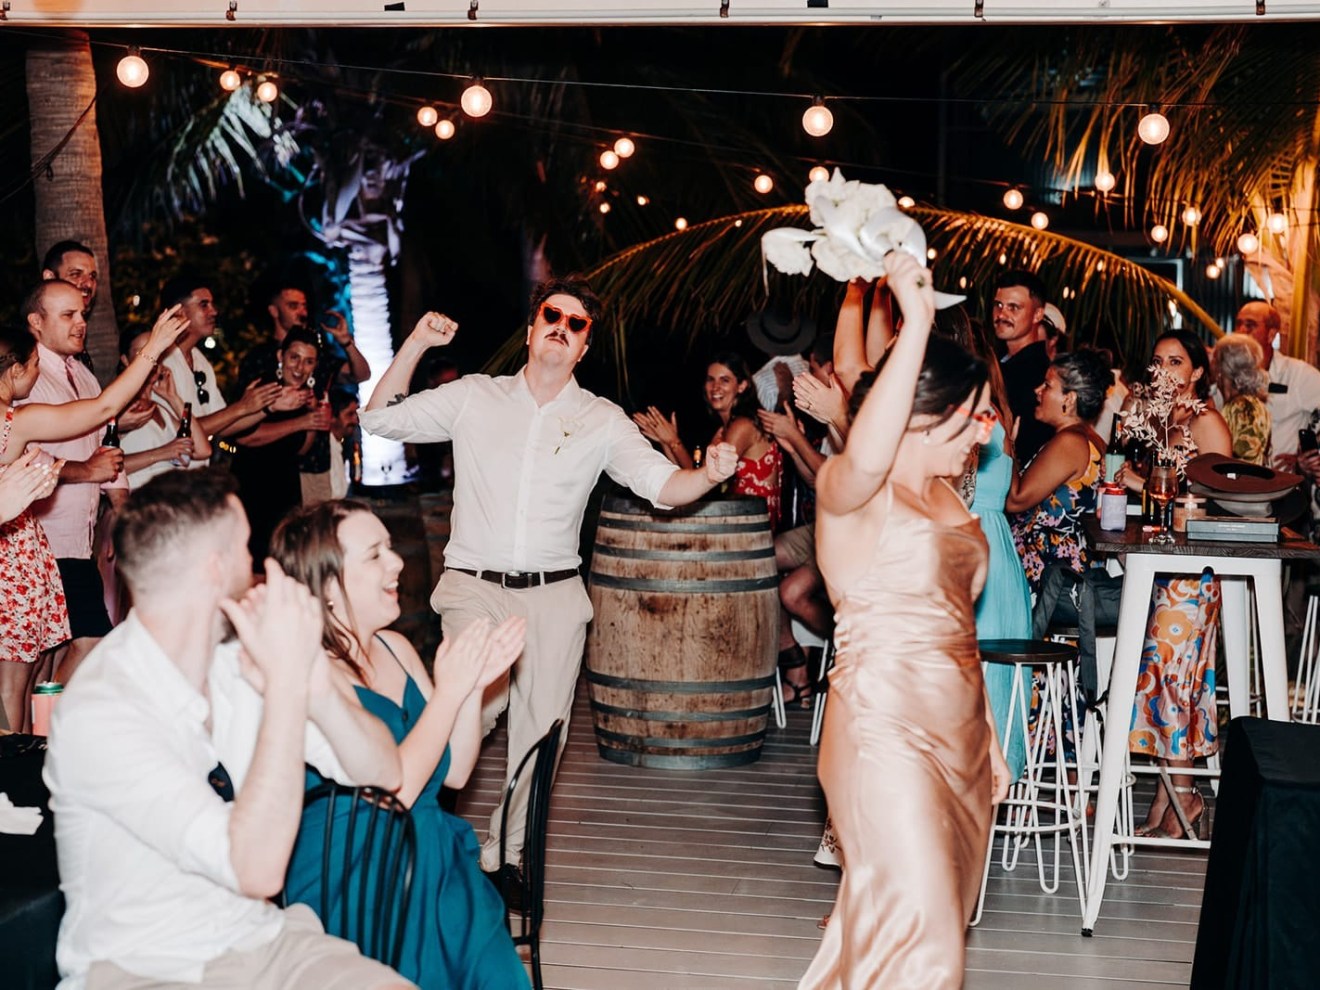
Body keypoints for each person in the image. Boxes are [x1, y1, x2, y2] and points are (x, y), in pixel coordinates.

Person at [359, 275, 737, 894]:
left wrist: (709, 475)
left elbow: (664, 488)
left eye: (576, 323)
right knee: (466, 703)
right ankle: (422, 827)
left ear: (584, 346)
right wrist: (418, 344)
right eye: (552, 316)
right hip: (474, 586)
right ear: (533, 328)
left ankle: (506, 857)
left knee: (541, 733)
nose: (562, 327)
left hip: (556, 595)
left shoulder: (602, 420)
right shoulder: (475, 396)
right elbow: (379, 419)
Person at [44, 468, 410, 990]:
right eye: (245, 548)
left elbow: (383, 770)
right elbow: (257, 869)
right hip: (144, 968)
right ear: (214, 570)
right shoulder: (104, 709)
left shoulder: (237, 658)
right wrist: (285, 688)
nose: (259, 567)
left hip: (264, 942)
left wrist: (314, 681)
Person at [800, 253, 1009, 990]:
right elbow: (866, 446)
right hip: (883, 733)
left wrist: (989, 737)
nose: (986, 433)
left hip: (960, 738)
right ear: (928, 410)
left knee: (900, 933)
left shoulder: (951, 499)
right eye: (977, 414)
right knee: (926, 949)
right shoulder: (852, 492)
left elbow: (960, 632)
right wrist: (915, 320)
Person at [273, 500, 531, 990]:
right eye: (375, 555)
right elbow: (396, 792)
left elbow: (453, 771)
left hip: (432, 856)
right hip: (356, 877)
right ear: (327, 587)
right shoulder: (314, 676)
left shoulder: (396, 647)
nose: (396, 563)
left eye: (390, 548)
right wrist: (450, 692)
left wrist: (472, 687)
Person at [0, 300, 186, 728]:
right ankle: (17, 762)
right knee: (14, 685)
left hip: (22, 555)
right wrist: (153, 349)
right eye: (33, 366)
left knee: (24, 679)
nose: (37, 374)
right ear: (14, 372)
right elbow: (103, 408)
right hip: (14, 558)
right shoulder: (16, 421)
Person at [1115, 330, 1232, 839]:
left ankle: (1183, 792)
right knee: (1161, 675)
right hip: (1163, 562)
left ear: (1198, 371)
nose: (1164, 369)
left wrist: (1139, 482)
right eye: (1158, 360)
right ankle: (1169, 793)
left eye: (1176, 361)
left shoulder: (1206, 423)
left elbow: (1218, 498)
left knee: (1173, 677)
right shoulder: (1164, 423)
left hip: (1195, 568)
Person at [635, 352, 784, 531]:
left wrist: (674, 442)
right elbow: (692, 476)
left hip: (753, 525)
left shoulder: (742, 426)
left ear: (742, 386)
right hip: (740, 518)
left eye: (724, 380)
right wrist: (666, 442)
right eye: (710, 380)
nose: (715, 387)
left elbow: (705, 481)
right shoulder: (724, 429)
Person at [1006, 349, 1112, 594]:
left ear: (1069, 399)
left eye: (1047, 385)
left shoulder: (1070, 442)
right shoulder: (1090, 439)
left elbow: (1016, 499)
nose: (1037, 391)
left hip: (1047, 574)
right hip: (1061, 569)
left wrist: (1008, 447)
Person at [232, 328, 330, 567]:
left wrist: (314, 419)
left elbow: (301, 450)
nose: (300, 367)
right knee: (256, 563)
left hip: (286, 490)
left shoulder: (306, 395)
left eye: (308, 361)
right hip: (254, 489)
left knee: (286, 560)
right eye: (294, 357)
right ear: (281, 356)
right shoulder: (263, 388)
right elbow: (245, 438)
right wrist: (302, 422)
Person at [117, 325, 212, 489]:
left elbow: (203, 450)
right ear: (125, 360)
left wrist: (173, 398)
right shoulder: (121, 405)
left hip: (168, 496)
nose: (151, 358)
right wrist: (162, 453)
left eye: (156, 351)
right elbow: (105, 466)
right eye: (143, 353)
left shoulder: (161, 408)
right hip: (138, 497)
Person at [992, 270, 1054, 464]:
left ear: (1037, 314)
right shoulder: (1000, 362)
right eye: (998, 305)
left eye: (1014, 307)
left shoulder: (1037, 374)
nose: (1002, 314)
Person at [1212, 334, 1272, 465]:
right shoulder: (1247, 404)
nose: (1210, 363)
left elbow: (1243, 460)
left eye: (1214, 358)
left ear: (1221, 368)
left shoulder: (1242, 407)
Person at [41, 241, 99, 316]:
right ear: (50, 277)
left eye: (92, 276)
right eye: (76, 274)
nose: (89, 284)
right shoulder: (36, 321)